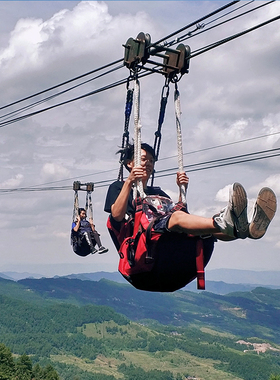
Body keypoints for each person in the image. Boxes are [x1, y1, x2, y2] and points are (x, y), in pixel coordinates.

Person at [104, 143, 277, 291]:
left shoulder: (158, 192)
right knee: (181, 220)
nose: (148, 163)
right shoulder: (118, 187)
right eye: (143, 159)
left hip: (164, 244)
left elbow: (176, 213)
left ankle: (245, 230)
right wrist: (129, 182)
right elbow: (116, 216)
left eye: (151, 160)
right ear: (129, 163)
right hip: (141, 252)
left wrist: (182, 191)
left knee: (206, 230)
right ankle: (227, 222)